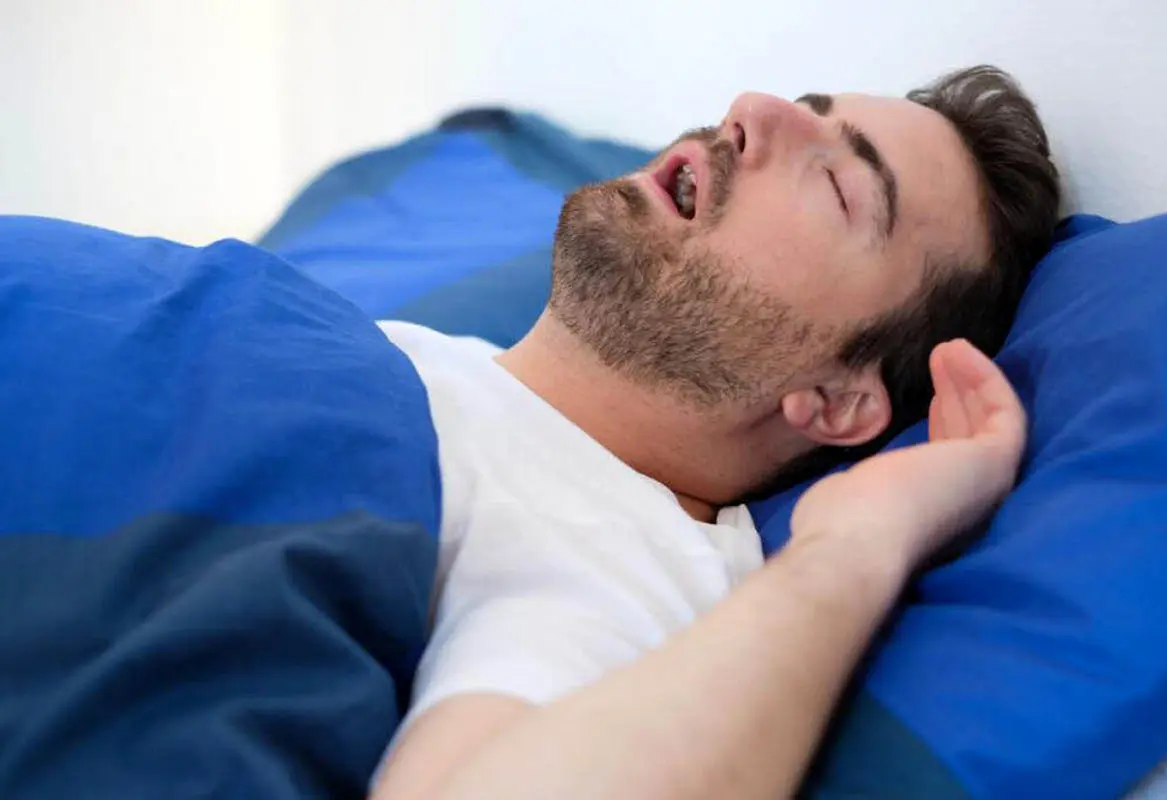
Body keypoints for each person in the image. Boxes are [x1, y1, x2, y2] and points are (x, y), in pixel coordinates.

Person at [373, 65, 1061, 798]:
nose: (752, 108)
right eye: (803, 107)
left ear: (836, 401)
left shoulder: (615, 558)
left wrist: (857, 541)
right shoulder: (418, 358)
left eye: (837, 184)